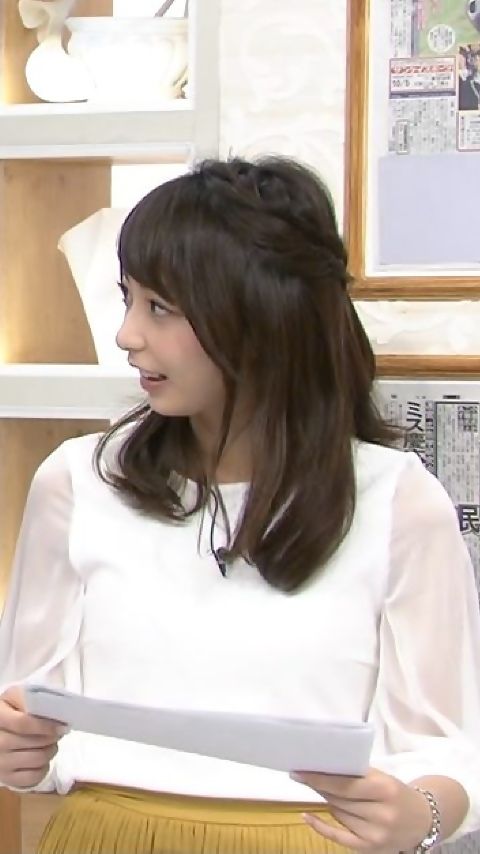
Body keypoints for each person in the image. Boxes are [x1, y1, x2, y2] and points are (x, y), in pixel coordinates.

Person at [1, 156, 480, 854]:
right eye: (128, 298)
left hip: (312, 838)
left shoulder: (399, 502)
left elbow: (450, 752)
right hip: (104, 833)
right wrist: (21, 755)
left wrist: (423, 815)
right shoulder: (76, 482)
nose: (127, 334)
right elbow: (26, 714)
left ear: (261, 315)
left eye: (160, 308)